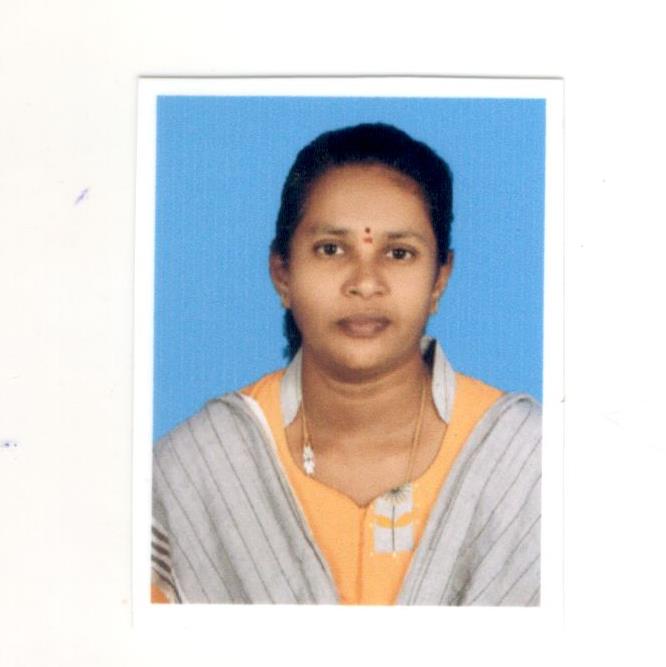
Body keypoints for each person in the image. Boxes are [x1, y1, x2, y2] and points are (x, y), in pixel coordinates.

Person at [151, 123, 541, 605]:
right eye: (331, 249)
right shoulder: (199, 468)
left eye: (399, 253)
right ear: (282, 274)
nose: (365, 282)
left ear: (439, 280)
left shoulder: (530, 464)